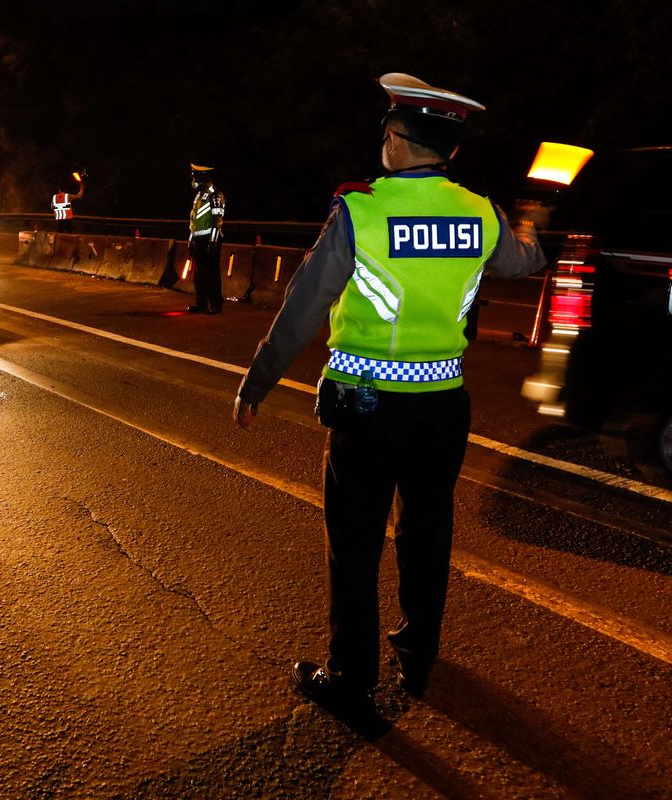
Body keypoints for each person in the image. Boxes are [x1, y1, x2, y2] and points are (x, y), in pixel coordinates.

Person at [233, 73, 550, 726]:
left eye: (388, 132)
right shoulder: (479, 212)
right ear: (451, 152)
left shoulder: (362, 211)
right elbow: (524, 264)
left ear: (403, 143)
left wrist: (258, 380)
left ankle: (351, 679)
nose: (383, 140)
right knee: (427, 533)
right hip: (442, 406)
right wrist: (531, 219)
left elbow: (303, 307)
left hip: (367, 406)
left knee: (355, 543)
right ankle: (418, 659)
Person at [187, 163, 226, 314]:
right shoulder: (199, 194)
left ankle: (216, 303)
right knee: (199, 274)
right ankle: (201, 302)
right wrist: (191, 238)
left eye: (196, 175)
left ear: (204, 176)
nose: (193, 178)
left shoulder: (215, 195)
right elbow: (194, 219)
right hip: (198, 238)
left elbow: (218, 220)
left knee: (212, 273)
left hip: (209, 238)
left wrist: (213, 241)